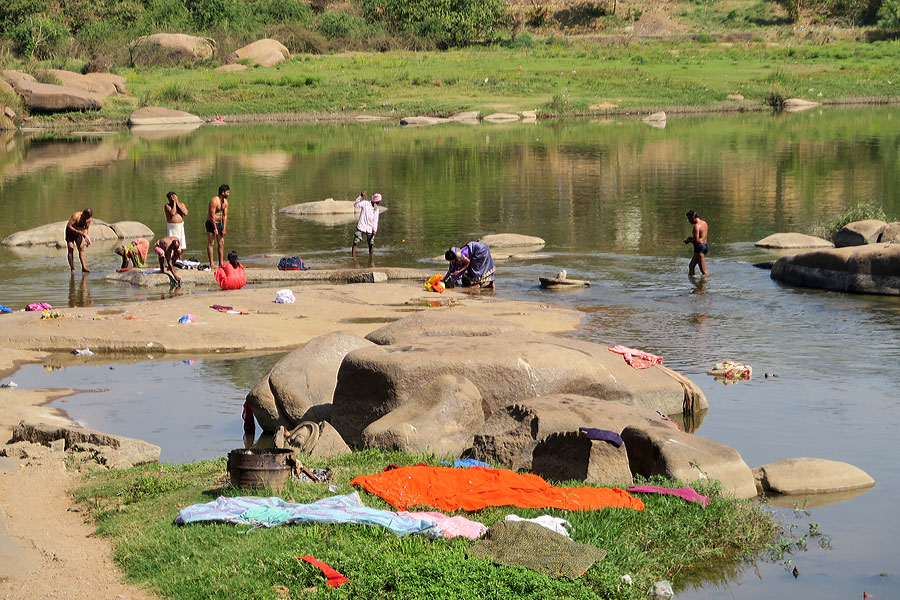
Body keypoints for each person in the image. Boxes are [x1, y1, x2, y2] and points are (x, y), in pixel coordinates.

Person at [352, 191, 382, 261]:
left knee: (371, 244)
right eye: (378, 202)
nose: (378, 203)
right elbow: (355, 205)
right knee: (356, 242)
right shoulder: (365, 203)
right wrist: (360, 196)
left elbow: (375, 220)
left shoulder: (376, 209)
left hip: (370, 229)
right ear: (375, 201)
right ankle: (353, 259)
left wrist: (375, 230)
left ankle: (371, 260)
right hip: (361, 227)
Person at [206, 184, 229, 268]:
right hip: (211, 223)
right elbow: (212, 216)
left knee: (221, 242)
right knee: (211, 242)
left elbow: (224, 216)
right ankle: (212, 263)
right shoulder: (214, 201)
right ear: (222, 192)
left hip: (219, 223)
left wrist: (224, 228)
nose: (228, 194)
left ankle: (221, 263)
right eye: (227, 192)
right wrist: (215, 229)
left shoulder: (225, 202)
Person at [65, 208, 93, 273]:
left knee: (81, 248)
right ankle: (72, 268)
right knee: (71, 248)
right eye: (86, 217)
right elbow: (69, 225)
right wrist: (77, 231)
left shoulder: (89, 219)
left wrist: (86, 236)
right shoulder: (76, 216)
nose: (86, 219)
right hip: (70, 233)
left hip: (79, 233)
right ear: (83, 214)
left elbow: (86, 229)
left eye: (88, 217)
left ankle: (84, 267)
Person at [684, 209, 709, 276]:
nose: (688, 221)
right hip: (705, 245)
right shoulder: (704, 223)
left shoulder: (696, 226)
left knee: (703, 271)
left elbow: (696, 241)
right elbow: (702, 237)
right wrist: (691, 238)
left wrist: (688, 241)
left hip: (699, 248)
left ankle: (708, 282)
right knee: (691, 266)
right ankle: (692, 281)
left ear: (693, 217)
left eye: (689, 218)